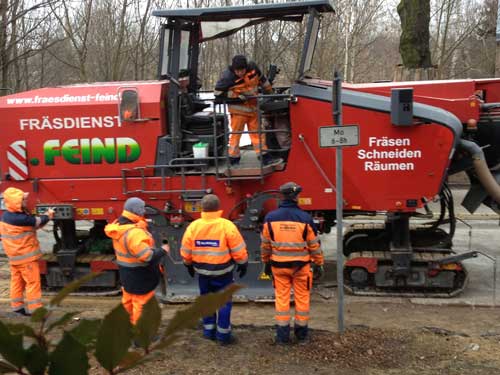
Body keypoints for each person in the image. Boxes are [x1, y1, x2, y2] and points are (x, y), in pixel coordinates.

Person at [261, 182, 324, 344]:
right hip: (301, 268)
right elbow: (314, 246)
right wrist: (319, 263)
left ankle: (282, 337)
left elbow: (265, 245)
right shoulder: (305, 219)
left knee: (281, 299)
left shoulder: (270, 218)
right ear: (296, 197)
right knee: (302, 299)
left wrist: (266, 262)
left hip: (278, 267)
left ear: (282, 196)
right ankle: (301, 336)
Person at [180, 194, 248, 345]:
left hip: (202, 273)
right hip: (223, 273)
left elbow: (185, 251)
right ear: (218, 208)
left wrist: (188, 264)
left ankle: (208, 331)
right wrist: (243, 263)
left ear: (202, 208)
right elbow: (238, 249)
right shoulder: (227, 225)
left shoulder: (193, 226)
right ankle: (223, 336)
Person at [104, 197, 169, 325]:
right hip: (141, 276)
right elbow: (147, 256)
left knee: (128, 301)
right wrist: (163, 250)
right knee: (142, 305)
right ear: (138, 210)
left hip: (126, 274)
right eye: (142, 208)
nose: (144, 210)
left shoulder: (117, 226)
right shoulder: (135, 233)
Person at [214, 54, 282, 167]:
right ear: (233, 69)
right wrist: (236, 97)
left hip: (253, 109)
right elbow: (217, 93)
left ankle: (264, 158)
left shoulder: (254, 69)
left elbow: (263, 80)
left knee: (258, 134)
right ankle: (234, 159)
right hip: (238, 111)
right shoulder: (227, 77)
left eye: (242, 70)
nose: (240, 73)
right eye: (237, 71)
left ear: (246, 68)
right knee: (236, 135)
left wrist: (269, 92)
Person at [0, 187, 54, 316]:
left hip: (14, 257)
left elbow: (31, 226)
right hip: (26, 259)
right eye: (23, 200)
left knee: (17, 282)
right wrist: (49, 214)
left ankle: (17, 307)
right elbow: (37, 221)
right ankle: (36, 310)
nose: (25, 201)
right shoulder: (20, 219)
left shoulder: (6, 216)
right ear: (16, 203)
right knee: (33, 283)